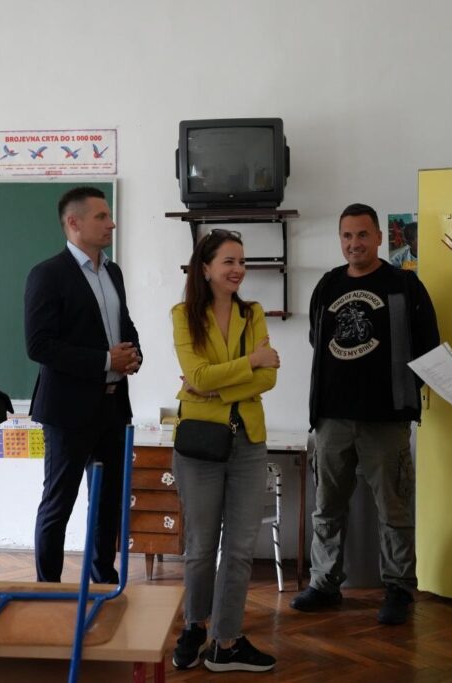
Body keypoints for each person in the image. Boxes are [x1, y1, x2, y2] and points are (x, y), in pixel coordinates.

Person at [291, 203, 439, 625]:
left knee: (394, 509)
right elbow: (316, 338)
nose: (354, 243)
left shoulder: (403, 285)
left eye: (361, 234)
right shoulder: (328, 284)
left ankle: (398, 588)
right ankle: (324, 583)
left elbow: (428, 344)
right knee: (327, 507)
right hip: (331, 418)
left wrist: (402, 393)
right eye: (346, 236)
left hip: (385, 420)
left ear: (378, 237)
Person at [170, 229, 279, 673]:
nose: (238, 270)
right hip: (200, 443)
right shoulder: (183, 315)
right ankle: (194, 626)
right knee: (200, 546)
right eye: (229, 261)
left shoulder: (253, 314)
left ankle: (226, 642)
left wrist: (216, 385)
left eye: (242, 262)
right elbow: (196, 373)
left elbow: (269, 377)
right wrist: (249, 363)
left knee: (239, 548)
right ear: (206, 268)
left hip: (248, 441)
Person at [24, 186, 141, 584]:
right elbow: (39, 345)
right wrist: (106, 360)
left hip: (113, 406)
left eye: (109, 215)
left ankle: (103, 579)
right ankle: (48, 588)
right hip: (68, 410)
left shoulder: (113, 271)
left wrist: (134, 353)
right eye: (101, 217)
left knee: (108, 501)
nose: (111, 223)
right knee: (59, 502)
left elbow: (123, 324)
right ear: (74, 223)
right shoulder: (47, 274)